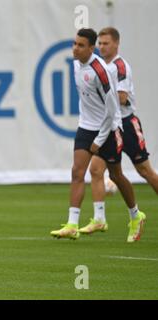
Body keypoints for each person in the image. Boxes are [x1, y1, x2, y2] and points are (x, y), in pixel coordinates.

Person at [50, 28, 146, 243]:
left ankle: (135, 215)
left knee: (116, 176)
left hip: (109, 129)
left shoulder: (100, 71)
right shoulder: (75, 64)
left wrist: (99, 141)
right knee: (77, 171)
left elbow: (112, 113)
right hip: (86, 126)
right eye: (74, 44)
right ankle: (72, 224)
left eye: (81, 45)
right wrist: (88, 130)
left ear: (91, 49)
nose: (75, 48)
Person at [80, 27, 158, 234]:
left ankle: (134, 216)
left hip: (126, 124)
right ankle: (99, 218)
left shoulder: (120, 67)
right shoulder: (99, 67)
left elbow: (122, 98)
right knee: (97, 170)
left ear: (116, 44)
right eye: (100, 44)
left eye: (106, 43)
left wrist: (102, 100)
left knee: (145, 171)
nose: (102, 47)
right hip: (110, 126)